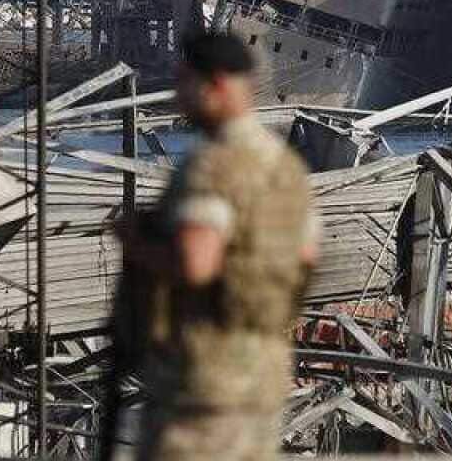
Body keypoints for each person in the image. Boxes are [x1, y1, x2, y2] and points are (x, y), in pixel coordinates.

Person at [120, 32, 318, 461]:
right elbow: (305, 258)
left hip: (202, 381)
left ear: (217, 86)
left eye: (184, 82)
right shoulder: (286, 166)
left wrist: (136, 245)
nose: (177, 95)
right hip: (262, 374)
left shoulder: (214, 165)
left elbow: (197, 264)